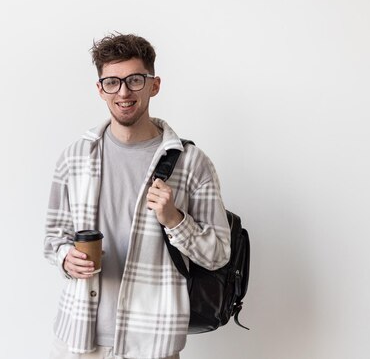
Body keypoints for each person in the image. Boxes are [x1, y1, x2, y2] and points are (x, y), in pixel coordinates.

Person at [44, 33, 231, 359]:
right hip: (78, 337)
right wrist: (65, 258)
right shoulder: (75, 158)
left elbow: (218, 255)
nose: (124, 92)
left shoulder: (191, 163)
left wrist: (174, 220)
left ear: (154, 85)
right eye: (112, 82)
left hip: (152, 342)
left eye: (134, 80)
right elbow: (53, 239)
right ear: (100, 89)